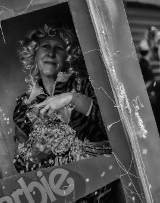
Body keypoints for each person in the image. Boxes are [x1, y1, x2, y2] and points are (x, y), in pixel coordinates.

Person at [13, 22, 112, 202]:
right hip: (58, 193)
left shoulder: (85, 86)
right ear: (33, 53)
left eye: (58, 48)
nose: (51, 53)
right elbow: (20, 165)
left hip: (98, 189)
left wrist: (72, 98)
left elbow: (115, 129)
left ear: (67, 56)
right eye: (45, 47)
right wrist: (34, 155)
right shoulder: (23, 105)